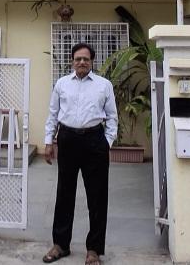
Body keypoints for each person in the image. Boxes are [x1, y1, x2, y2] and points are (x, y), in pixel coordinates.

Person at [42, 42, 118, 265]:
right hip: (67, 139)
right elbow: (53, 114)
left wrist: (107, 143)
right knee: (64, 193)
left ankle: (94, 250)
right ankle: (60, 245)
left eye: (85, 59)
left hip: (95, 140)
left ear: (92, 61)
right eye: (78, 59)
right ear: (72, 61)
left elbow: (112, 117)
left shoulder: (104, 85)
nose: (82, 62)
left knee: (97, 196)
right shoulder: (62, 84)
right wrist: (49, 141)